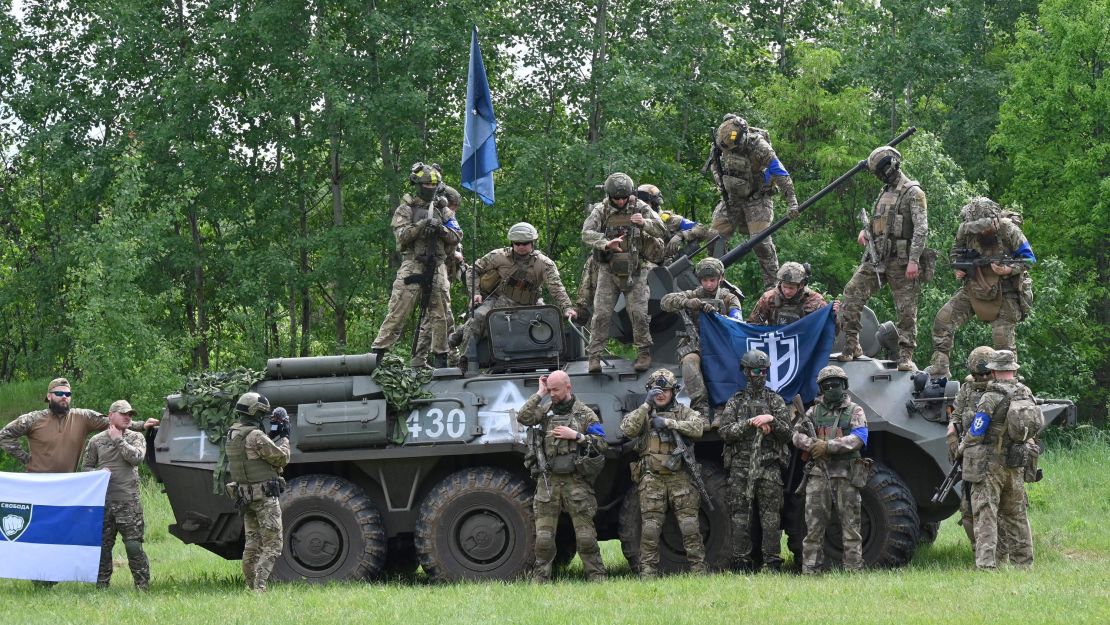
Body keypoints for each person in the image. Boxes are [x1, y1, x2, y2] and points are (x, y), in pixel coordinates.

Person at [837, 145, 929, 371]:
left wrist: (914, 260)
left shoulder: (913, 192)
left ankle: (906, 355)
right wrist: (866, 231)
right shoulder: (885, 191)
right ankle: (851, 345)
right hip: (877, 257)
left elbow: (921, 229)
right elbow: (881, 219)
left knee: (906, 310)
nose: (880, 175)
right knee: (851, 293)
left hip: (902, 260)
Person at [926, 197, 1036, 378]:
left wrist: (1008, 269)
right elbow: (955, 253)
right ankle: (940, 366)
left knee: (1003, 342)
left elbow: (1029, 259)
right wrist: (960, 268)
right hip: (974, 285)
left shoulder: (1009, 230)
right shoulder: (967, 231)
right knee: (943, 321)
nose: (982, 231)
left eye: (985, 226)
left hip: (1004, 290)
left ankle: (1008, 381)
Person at [515, 370, 607, 582]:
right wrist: (540, 393)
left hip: (576, 482)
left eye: (555, 389)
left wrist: (576, 436)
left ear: (568, 387)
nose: (552, 394)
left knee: (585, 537)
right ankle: (540, 579)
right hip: (549, 482)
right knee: (544, 539)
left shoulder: (585, 414)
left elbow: (602, 443)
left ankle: (597, 577)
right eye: (550, 389)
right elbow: (523, 417)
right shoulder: (545, 411)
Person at [371, 162, 461, 368]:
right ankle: (377, 357)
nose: (430, 189)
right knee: (398, 310)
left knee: (440, 315)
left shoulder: (443, 210)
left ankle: (441, 359)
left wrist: (440, 230)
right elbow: (401, 237)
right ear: (418, 185)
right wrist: (421, 226)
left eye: (434, 186)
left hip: (437, 266)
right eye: (426, 185)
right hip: (413, 265)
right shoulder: (406, 209)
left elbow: (456, 235)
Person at [620, 369, 708, 578]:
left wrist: (670, 423)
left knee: (690, 528)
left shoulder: (683, 412)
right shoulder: (644, 413)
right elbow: (627, 429)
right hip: (652, 479)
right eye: (655, 390)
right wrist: (645, 405)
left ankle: (699, 571)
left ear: (673, 391)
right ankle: (648, 573)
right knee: (650, 530)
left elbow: (698, 428)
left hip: (681, 478)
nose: (660, 394)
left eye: (665, 390)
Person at [449, 222, 576, 365]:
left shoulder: (543, 263)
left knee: (544, 324)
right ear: (512, 243)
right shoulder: (499, 256)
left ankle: (545, 360)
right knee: (477, 318)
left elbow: (556, 287)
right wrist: (475, 293)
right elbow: (473, 269)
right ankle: (465, 361)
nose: (521, 247)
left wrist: (567, 308)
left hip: (529, 304)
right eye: (517, 243)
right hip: (498, 301)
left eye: (525, 243)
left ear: (533, 242)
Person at [581, 172, 666, 373]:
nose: (620, 201)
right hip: (608, 269)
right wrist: (605, 243)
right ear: (609, 195)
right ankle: (594, 356)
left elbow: (662, 229)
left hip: (635, 269)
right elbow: (586, 233)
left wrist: (644, 223)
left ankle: (643, 353)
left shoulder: (641, 208)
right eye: (616, 198)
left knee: (638, 313)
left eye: (623, 197)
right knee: (601, 314)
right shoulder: (601, 210)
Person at [717, 350, 792, 572]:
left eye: (764, 371)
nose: (760, 375)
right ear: (746, 372)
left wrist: (772, 420)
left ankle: (772, 562)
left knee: (771, 518)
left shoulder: (775, 401)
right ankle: (741, 562)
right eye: (756, 371)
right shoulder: (735, 402)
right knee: (740, 517)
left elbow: (788, 434)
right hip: (741, 468)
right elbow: (725, 432)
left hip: (769, 467)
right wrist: (750, 423)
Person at [708, 115, 800, 289]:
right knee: (714, 238)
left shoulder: (759, 147)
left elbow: (780, 173)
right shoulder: (722, 142)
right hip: (732, 198)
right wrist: (721, 182)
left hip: (757, 198)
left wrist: (792, 202)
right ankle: (713, 282)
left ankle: (773, 290)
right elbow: (714, 163)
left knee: (761, 242)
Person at [792, 365, 869, 574]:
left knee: (851, 527)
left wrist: (828, 446)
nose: (831, 388)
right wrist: (812, 445)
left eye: (836, 384)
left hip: (846, 476)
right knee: (814, 528)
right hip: (818, 476)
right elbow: (796, 435)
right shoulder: (813, 412)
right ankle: (810, 570)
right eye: (827, 385)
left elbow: (860, 438)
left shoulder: (855, 410)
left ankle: (853, 569)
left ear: (844, 385)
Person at [962, 350, 1035, 570]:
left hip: (990, 464)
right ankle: (1024, 563)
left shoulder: (991, 396)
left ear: (993, 371)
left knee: (987, 512)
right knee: (1017, 514)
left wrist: (962, 445)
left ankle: (987, 565)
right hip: (1017, 461)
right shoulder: (1026, 393)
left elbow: (977, 430)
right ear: (1013, 370)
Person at [0, 378, 158, 473]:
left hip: (69, 485)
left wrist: (142, 425)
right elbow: (4, 436)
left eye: (67, 394)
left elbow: (112, 421)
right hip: (38, 484)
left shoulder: (82, 417)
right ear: (49, 396)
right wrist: (27, 459)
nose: (64, 397)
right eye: (59, 393)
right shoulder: (33, 419)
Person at [659, 257, 743, 415]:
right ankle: (701, 408)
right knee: (689, 361)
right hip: (696, 344)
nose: (709, 284)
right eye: (705, 280)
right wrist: (686, 303)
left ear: (721, 278)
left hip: (722, 345)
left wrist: (723, 317)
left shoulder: (729, 298)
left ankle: (725, 408)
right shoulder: (693, 294)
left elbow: (736, 319)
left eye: (712, 280)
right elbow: (665, 301)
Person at [82, 400, 150, 590]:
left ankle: (142, 586)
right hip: (103, 503)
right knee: (103, 548)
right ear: (111, 415)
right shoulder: (96, 441)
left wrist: (118, 439)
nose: (128, 417)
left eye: (130, 414)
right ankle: (101, 586)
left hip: (128, 502)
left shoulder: (136, 437)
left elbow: (136, 458)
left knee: (133, 546)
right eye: (123, 414)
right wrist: (98, 473)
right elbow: (85, 467)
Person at [225, 392, 290, 592]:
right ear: (255, 413)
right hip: (264, 498)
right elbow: (281, 459)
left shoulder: (232, 433)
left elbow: (253, 455)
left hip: (246, 497)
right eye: (262, 414)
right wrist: (286, 438)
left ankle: (250, 585)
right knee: (273, 545)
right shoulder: (256, 436)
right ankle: (259, 587)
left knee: (252, 544)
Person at [947, 346, 997, 546]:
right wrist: (951, 433)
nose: (984, 378)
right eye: (979, 374)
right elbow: (957, 415)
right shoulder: (967, 389)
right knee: (968, 511)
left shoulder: (1002, 391)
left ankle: (999, 551)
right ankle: (978, 548)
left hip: (995, 459)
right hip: (970, 458)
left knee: (994, 508)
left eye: (987, 373)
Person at [415, 185, 466, 367]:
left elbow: (455, 239)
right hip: (436, 272)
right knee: (440, 317)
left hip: (445, 273)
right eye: (453, 207)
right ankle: (447, 357)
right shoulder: (433, 218)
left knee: (438, 317)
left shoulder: (446, 219)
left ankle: (421, 359)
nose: (453, 211)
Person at [747, 261, 837, 325]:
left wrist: (834, 316)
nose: (786, 291)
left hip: (804, 346)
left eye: (791, 288)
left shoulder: (815, 301)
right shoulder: (768, 298)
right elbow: (753, 326)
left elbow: (830, 331)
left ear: (801, 285)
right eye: (784, 286)